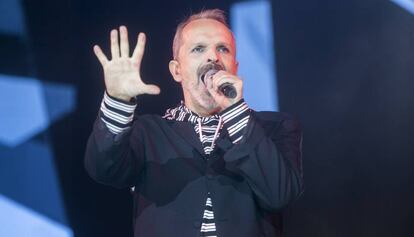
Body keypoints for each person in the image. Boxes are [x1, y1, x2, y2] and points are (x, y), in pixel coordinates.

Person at [85, 9, 303, 237]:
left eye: (223, 49)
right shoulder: (148, 132)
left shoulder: (275, 127)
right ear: (177, 70)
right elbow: (103, 169)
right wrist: (118, 101)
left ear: (235, 67)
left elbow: (280, 194)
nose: (213, 57)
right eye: (199, 49)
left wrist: (236, 111)